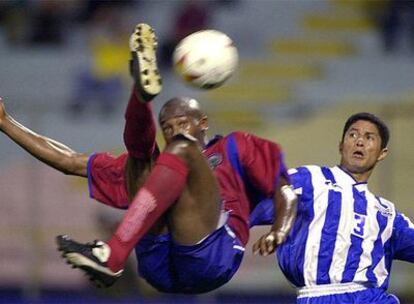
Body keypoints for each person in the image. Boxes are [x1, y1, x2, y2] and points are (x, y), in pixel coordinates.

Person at [0, 23, 297, 293]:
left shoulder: (236, 147)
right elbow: (70, 161)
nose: (174, 131)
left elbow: (285, 189)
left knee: (180, 149)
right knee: (141, 160)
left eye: (183, 123)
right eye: (167, 127)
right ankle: (141, 96)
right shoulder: (164, 167)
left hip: (210, 257)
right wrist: (5, 122)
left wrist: (278, 231)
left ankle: (112, 255)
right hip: (157, 264)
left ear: (203, 122)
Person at [262, 112, 414, 303]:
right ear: (341, 145)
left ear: (382, 153)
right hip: (318, 296)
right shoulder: (309, 178)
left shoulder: (387, 213)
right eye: (353, 135)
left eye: (369, 138)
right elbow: (254, 200)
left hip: (370, 297)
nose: (359, 141)